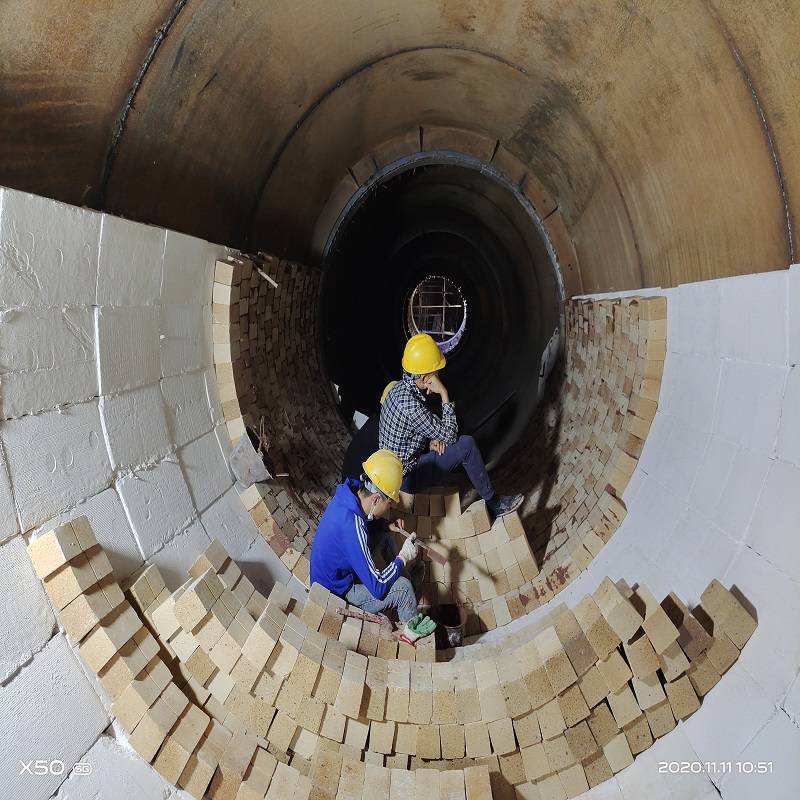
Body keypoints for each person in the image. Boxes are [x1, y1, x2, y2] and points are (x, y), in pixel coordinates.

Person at [379, 333, 524, 520]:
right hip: (405, 479)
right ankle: (495, 504)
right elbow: (450, 435)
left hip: (394, 467)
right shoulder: (412, 408)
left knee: (444, 437)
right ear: (425, 377)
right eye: (436, 370)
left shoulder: (397, 389)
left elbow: (406, 434)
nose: (439, 374)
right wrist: (444, 394)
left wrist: (429, 442)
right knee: (467, 445)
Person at [310, 449, 434, 640]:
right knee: (402, 588)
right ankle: (410, 634)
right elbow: (377, 587)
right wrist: (402, 558)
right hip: (338, 591)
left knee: (384, 536)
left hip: (334, 573)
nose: (390, 508)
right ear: (376, 499)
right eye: (389, 504)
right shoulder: (353, 527)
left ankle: (409, 589)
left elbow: (364, 524)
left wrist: (385, 525)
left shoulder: (351, 492)